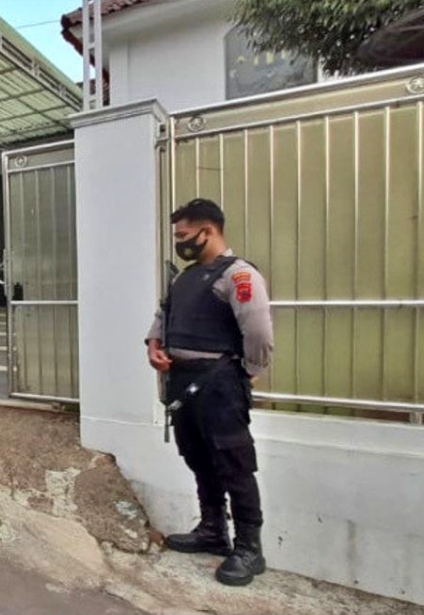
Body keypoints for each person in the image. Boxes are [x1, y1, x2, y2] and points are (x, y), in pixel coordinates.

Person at [145, 198, 274, 587]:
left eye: (184, 236)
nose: (180, 243)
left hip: (219, 383)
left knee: (234, 464)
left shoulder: (238, 276)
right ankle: (213, 531)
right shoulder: (185, 277)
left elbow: (259, 333)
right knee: (199, 458)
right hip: (184, 383)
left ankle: (249, 549)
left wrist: (245, 374)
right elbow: (163, 317)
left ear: (210, 231)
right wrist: (153, 345)